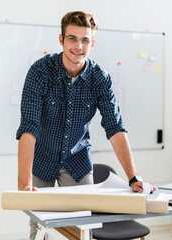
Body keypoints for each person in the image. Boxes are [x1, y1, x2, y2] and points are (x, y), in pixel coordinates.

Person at [16, 11, 156, 239]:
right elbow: (29, 127)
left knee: (86, 227)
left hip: (77, 160)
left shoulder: (100, 78)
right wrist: (24, 183)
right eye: (72, 38)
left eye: (85, 40)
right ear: (61, 40)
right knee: (40, 225)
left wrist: (133, 177)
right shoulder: (40, 72)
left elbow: (115, 127)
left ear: (92, 42)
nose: (78, 46)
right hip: (42, 158)